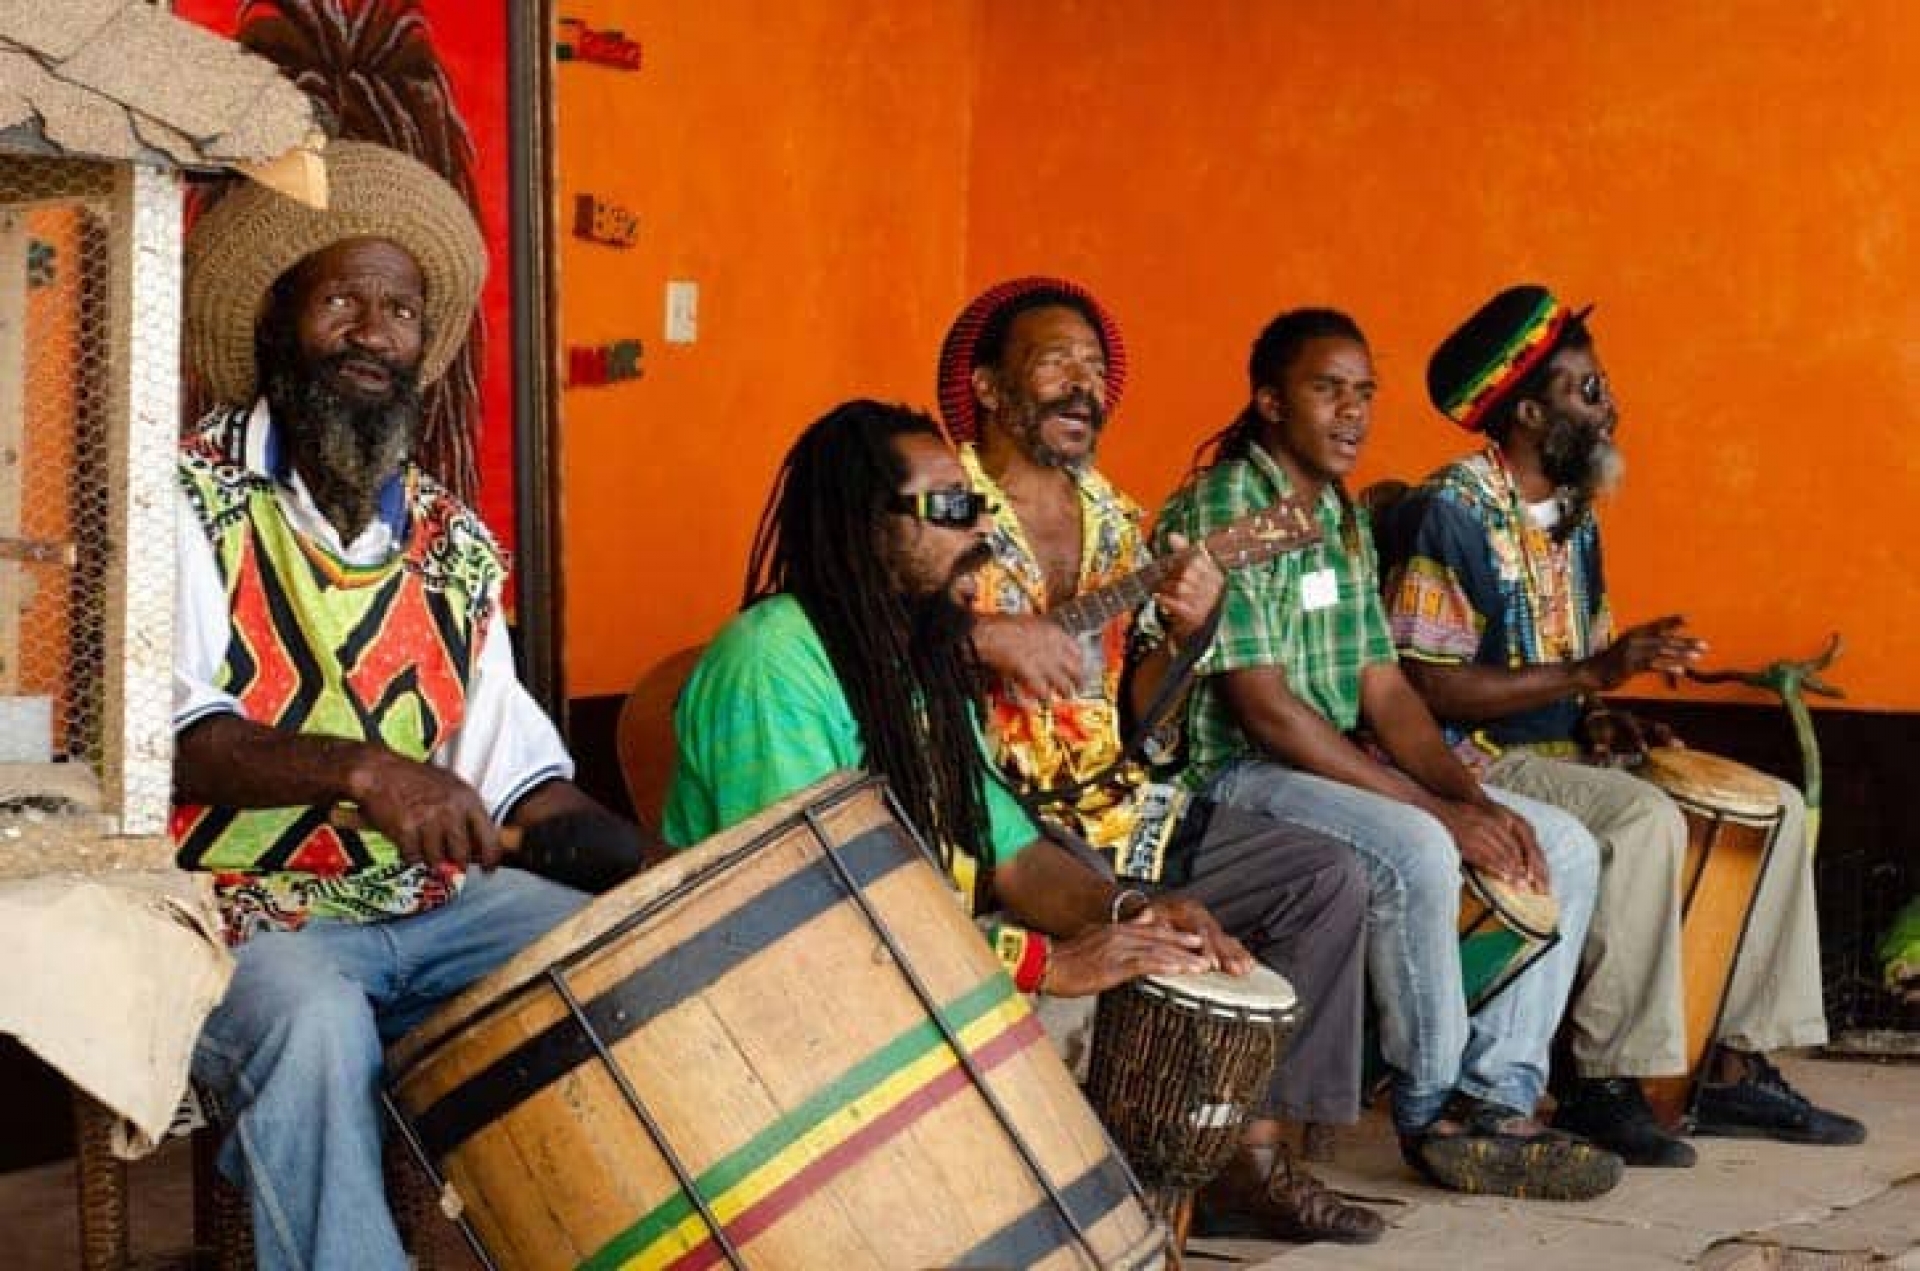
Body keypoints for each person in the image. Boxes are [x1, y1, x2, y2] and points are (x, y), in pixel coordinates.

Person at [174, 140, 644, 1269]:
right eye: (342, 300)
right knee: (313, 1023)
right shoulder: (183, 499)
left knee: (614, 953)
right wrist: (366, 770)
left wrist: (671, 877)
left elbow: (526, 784)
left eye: (399, 310)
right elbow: (174, 737)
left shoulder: (453, 543)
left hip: (430, 912)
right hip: (236, 919)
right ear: (278, 323)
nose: (373, 333)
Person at [935, 277, 1379, 1243]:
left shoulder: (1118, 519)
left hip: (1120, 807)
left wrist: (1188, 633)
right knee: (1148, 920)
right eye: (1056, 362)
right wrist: (989, 637)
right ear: (991, 387)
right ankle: (1100, 1167)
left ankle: (1251, 1153)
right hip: (1004, 820)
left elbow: (1141, 714)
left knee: (1326, 877)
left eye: (1095, 368)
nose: (1083, 384)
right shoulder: (940, 502)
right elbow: (873, 634)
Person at [1376, 285, 1862, 1163]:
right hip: (1472, 760)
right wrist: (1591, 675)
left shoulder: (1573, 512)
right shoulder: (1448, 512)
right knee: (1644, 819)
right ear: (1530, 412)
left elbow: (1582, 662)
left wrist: (1607, 714)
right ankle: (1608, 1080)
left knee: (1780, 807)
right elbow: (1424, 684)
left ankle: (1733, 1063)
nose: (1610, 404)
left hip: (1561, 752)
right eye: (1588, 389)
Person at [1155, 307, 1622, 1200]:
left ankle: (1497, 1096)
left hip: (1323, 762)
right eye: (1327, 390)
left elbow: (1386, 687)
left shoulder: (1338, 513)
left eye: (1364, 393)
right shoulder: (1230, 502)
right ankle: (1429, 1105)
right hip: (1238, 776)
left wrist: (1476, 800)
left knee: (1559, 843)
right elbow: (1266, 712)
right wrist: (1440, 812)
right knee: (1419, 847)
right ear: (1270, 401)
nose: (1353, 412)